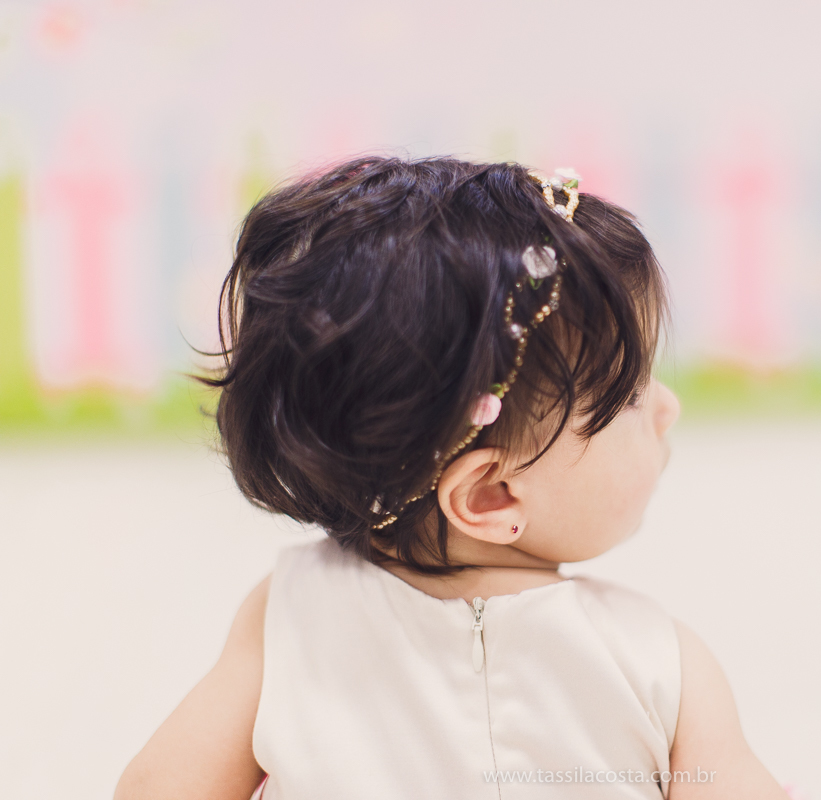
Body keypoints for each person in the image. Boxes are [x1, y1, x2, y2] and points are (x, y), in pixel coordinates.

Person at [115, 157, 787, 799]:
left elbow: (156, 791)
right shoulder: (659, 659)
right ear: (490, 496)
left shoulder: (287, 612)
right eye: (632, 395)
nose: (666, 407)